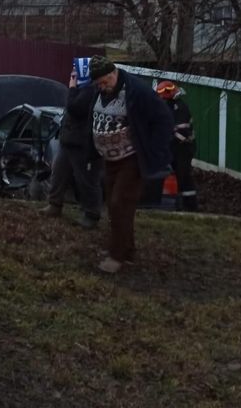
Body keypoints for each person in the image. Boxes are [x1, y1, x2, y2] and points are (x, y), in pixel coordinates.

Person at [89, 57, 174, 274]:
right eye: (98, 84)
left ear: (112, 74)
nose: (101, 87)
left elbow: (164, 119)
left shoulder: (137, 91)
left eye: (103, 82)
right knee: (114, 205)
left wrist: (153, 151)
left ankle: (117, 255)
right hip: (110, 160)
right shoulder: (101, 91)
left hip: (132, 158)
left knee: (120, 202)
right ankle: (126, 249)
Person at [40, 66, 104, 229]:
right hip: (68, 140)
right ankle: (54, 204)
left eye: (76, 73)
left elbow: (75, 108)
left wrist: (72, 88)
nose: (73, 76)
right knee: (58, 173)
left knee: (86, 180)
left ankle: (91, 214)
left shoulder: (90, 90)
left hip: (82, 143)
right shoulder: (84, 89)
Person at [156, 80, 198, 212]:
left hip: (183, 148)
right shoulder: (167, 105)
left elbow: (181, 132)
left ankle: (189, 205)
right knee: (173, 175)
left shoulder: (180, 107)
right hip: (174, 147)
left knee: (183, 175)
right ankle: (175, 203)